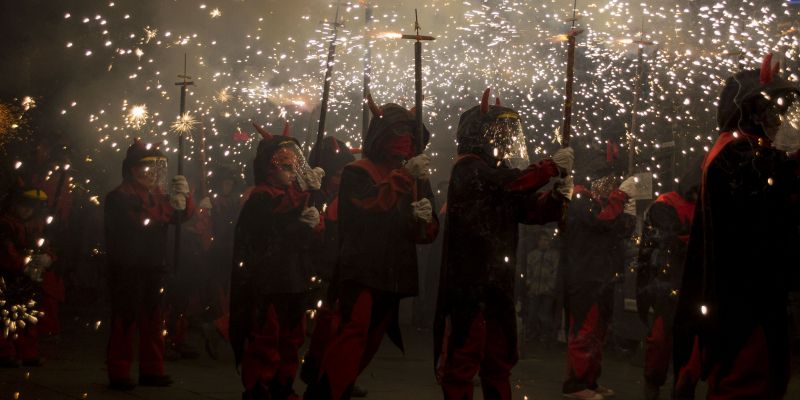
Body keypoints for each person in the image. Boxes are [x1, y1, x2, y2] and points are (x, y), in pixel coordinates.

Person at [673, 53, 800, 399]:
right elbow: (772, 203)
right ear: (750, 112)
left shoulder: (745, 153)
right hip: (743, 306)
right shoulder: (735, 155)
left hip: (748, 300)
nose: (777, 118)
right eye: (770, 109)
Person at [434, 88, 573, 400]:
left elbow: (528, 210)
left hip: (497, 280)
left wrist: (556, 197)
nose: (507, 140)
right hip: (468, 282)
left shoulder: (498, 174)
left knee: (498, 359)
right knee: (463, 359)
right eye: (500, 133)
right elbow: (510, 185)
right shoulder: (467, 168)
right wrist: (550, 167)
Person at [303, 95, 439, 400]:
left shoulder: (417, 173)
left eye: (408, 134)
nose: (404, 141)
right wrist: (404, 179)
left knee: (372, 339)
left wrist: (424, 220)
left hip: (394, 270)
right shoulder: (358, 172)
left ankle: (337, 386)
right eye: (397, 133)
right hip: (361, 269)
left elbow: (426, 232)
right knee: (352, 333)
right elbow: (368, 208)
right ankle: (327, 393)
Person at [229, 126, 324, 400]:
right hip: (268, 281)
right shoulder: (259, 197)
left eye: (294, 168)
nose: (292, 173)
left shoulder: (296, 197)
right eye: (285, 167)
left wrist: (312, 225)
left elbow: (307, 241)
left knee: (292, 338)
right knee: (266, 338)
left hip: (293, 278)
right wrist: (299, 215)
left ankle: (283, 385)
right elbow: (271, 228)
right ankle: (260, 388)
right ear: (270, 169)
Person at [104, 140, 195, 390]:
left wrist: (183, 198)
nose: (152, 174)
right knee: (126, 320)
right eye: (146, 168)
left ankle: (152, 369)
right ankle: (119, 371)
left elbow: (180, 218)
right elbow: (141, 221)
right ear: (132, 170)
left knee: (154, 320)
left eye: (156, 168)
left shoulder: (156, 196)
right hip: (126, 268)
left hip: (154, 265)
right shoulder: (117, 198)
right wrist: (170, 207)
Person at [560, 173, 637, 400]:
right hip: (585, 277)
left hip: (601, 276)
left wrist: (627, 213)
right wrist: (620, 198)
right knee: (585, 330)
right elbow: (601, 220)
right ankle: (575, 385)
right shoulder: (579, 198)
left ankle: (590, 381)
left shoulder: (595, 201)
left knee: (597, 333)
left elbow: (617, 230)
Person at [636, 178, 698, 400]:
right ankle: (653, 384)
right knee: (661, 340)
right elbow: (666, 238)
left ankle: (681, 389)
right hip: (667, 282)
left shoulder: (704, 204)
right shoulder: (667, 203)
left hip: (691, 283)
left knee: (687, 344)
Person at [0, 185, 51, 367]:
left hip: (29, 278)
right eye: (24, 205)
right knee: (6, 316)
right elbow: (6, 251)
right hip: (8, 276)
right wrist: (24, 264)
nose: (27, 209)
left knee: (28, 315)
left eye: (31, 206)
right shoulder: (6, 223)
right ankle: (5, 352)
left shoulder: (37, 224)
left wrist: (46, 258)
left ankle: (27, 352)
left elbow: (46, 246)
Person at [525, 232, 560, 344]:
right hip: (534, 289)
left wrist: (551, 286)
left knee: (545, 314)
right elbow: (527, 270)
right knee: (532, 314)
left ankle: (544, 336)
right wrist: (529, 283)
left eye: (546, 240)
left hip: (547, 290)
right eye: (541, 240)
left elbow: (556, 272)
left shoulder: (554, 255)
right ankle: (532, 335)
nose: (543, 242)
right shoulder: (532, 255)